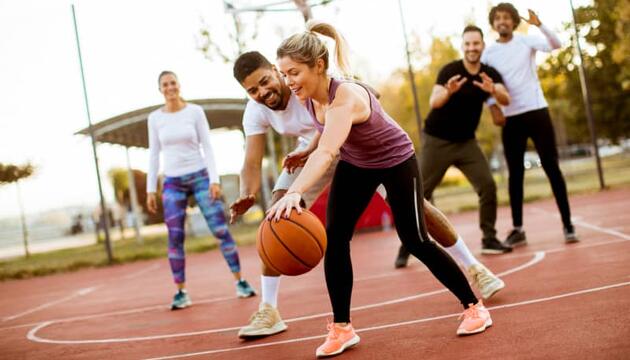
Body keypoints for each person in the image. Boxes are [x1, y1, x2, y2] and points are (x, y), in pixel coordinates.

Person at [230, 51, 504, 338]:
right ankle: (270, 309)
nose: (262, 92)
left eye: (265, 81)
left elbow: (368, 96)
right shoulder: (258, 110)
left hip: (360, 148)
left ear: (276, 71)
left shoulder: (312, 79)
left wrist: (352, 94)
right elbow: (251, 161)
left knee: (417, 217)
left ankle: (474, 268)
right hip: (314, 153)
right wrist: (247, 193)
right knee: (277, 216)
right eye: (252, 90)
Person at [395, 25, 512, 269]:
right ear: (463, 46)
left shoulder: (488, 74)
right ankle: (407, 245)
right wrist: (448, 92)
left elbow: (505, 98)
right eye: (468, 44)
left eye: (476, 44)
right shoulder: (450, 71)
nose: (472, 48)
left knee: (488, 186)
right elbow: (434, 102)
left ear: (482, 46)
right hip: (438, 140)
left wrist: (492, 91)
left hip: (466, 143)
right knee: (419, 194)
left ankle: (489, 238)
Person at [146, 70, 256, 310]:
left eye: (173, 83)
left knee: (219, 230)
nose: (170, 87)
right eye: (165, 84)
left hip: (200, 176)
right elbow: (154, 154)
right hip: (172, 182)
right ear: (160, 89)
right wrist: (150, 189)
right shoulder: (155, 118)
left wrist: (214, 180)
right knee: (175, 237)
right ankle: (181, 292)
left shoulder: (194, 112)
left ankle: (241, 282)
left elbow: (207, 146)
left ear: (179, 85)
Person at [482, 3, 578, 246]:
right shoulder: (488, 54)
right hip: (511, 118)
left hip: (536, 111)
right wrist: (492, 105)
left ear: (514, 22)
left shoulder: (526, 41)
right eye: (498, 18)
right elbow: (483, 84)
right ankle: (518, 229)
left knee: (552, 167)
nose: (502, 21)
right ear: (493, 24)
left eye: (507, 18)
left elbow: (557, 44)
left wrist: (540, 24)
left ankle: (568, 224)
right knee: (515, 174)